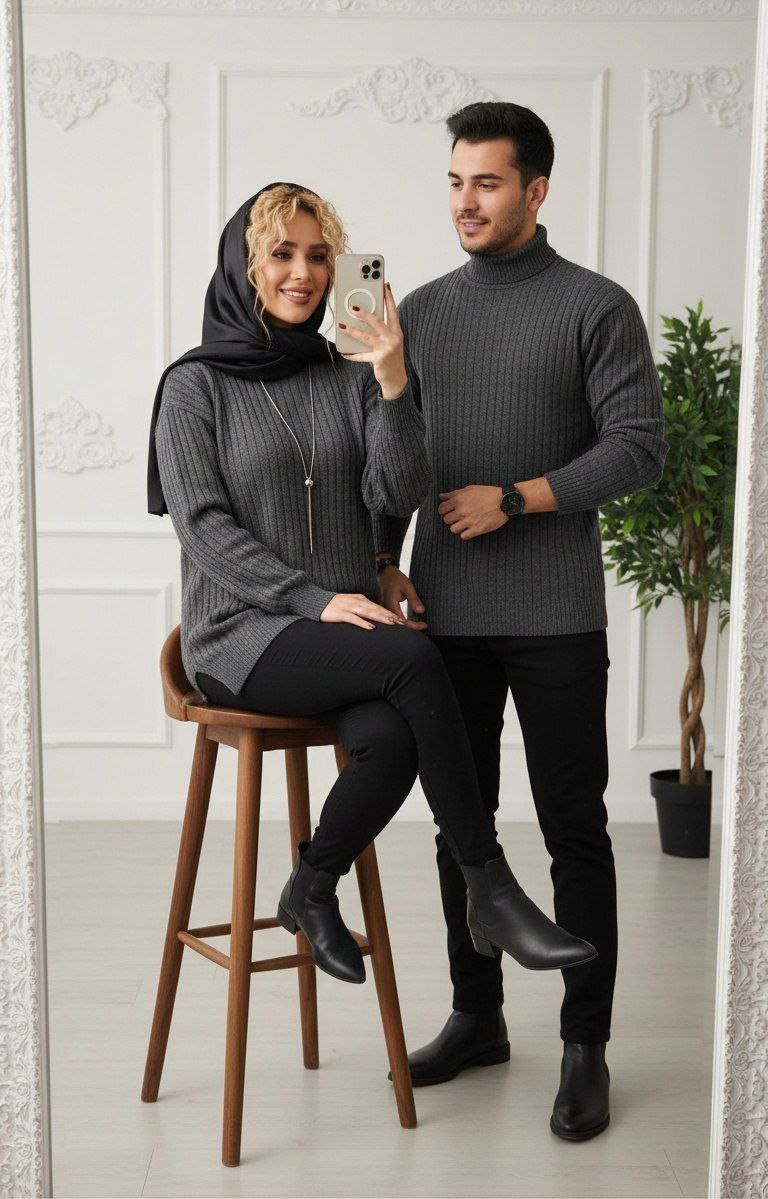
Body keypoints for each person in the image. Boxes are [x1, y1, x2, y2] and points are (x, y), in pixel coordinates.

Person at [147, 181, 597, 991]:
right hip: (241, 635)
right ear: (243, 266)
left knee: (392, 739)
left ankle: (312, 883)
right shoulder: (193, 386)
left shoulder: (348, 373)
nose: (304, 273)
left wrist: (392, 380)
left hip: (341, 631)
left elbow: (396, 491)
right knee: (415, 659)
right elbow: (204, 528)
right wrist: (313, 598)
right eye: (281, 253)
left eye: (320, 255)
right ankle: (490, 885)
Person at [374, 104, 670, 1140]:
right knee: (462, 828)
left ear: (536, 190)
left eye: (487, 183)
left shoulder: (596, 305)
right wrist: (383, 556)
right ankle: (479, 1016)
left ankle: (585, 1044)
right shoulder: (418, 311)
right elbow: (391, 451)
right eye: (456, 181)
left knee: (573, 826)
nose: (466, 202)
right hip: (442, 612)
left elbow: (639, 446)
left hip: (555, 614)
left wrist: (518, 496)